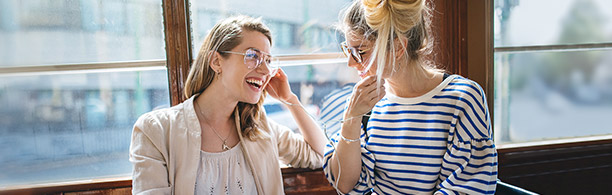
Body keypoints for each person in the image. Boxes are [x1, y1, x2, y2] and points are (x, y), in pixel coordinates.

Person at [129, 15, 327, 195]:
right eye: (253, 56)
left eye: (268, 60)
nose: (266, 70)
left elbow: (319, 154)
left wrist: (289, 100)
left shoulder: (260, 127)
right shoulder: (155, 130)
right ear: (216, 61)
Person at [323, 0, 498, 194]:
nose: (350, 63)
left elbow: (467, 188)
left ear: (398, 48)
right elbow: (344, 184)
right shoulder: (365, 103)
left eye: (360, 51)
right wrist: (351, 118)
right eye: (348, 49)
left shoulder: (462, 99)